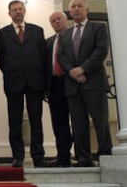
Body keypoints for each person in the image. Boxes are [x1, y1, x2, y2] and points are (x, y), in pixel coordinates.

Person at [58, 0, 112, 167]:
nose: (76, 9)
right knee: (78, 124)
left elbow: (101, 51)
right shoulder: (65, 34)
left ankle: (105, 156)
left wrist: (83, 69)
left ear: (86, 9)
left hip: (94, 83)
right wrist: (73, 72)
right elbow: (61, 56)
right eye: (73, 6)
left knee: (100, 122)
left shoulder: (98, 28)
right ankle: (83, 158)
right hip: (73, 86)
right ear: (70, 11)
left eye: (79, 6)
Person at [0, 0, 46, 168]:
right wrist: (12, 72)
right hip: (13, 81)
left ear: (24, 11)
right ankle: (18, 157)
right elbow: (1, 58)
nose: (18, 12)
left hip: (35, 82)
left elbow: (43, 56)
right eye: (14, 9)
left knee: (36, 120)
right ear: (9, 13)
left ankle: (38, 156)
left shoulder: (37, 31)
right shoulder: (2, 34)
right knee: (15, 121)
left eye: (20, 9)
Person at [45, 11, 73, 167]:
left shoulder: (75, 38)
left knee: (77, 121)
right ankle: (63, 156)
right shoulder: (48, 42)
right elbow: (45, 67)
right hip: (54, 86)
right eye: (53, 21)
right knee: (59, 123)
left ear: (66, 20)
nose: (56, 22)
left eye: (59, 19)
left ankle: (83, 154)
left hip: (72, 83)